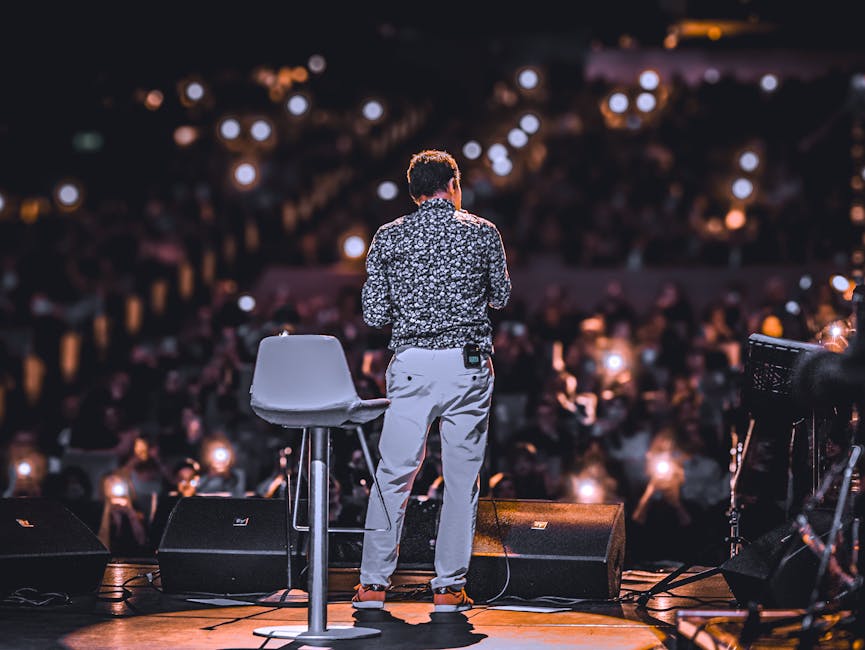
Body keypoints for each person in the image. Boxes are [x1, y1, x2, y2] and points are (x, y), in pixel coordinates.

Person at [353, 149, 511, 612]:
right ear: (454, 184)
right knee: (461, 481)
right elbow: (501, 297)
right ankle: (448, 589)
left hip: (412, 365)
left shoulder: (389, 236)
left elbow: (374, 313)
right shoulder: (482, 232)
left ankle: (373, 586)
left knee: (394, 475)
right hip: (466, 366)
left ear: (413, 192)